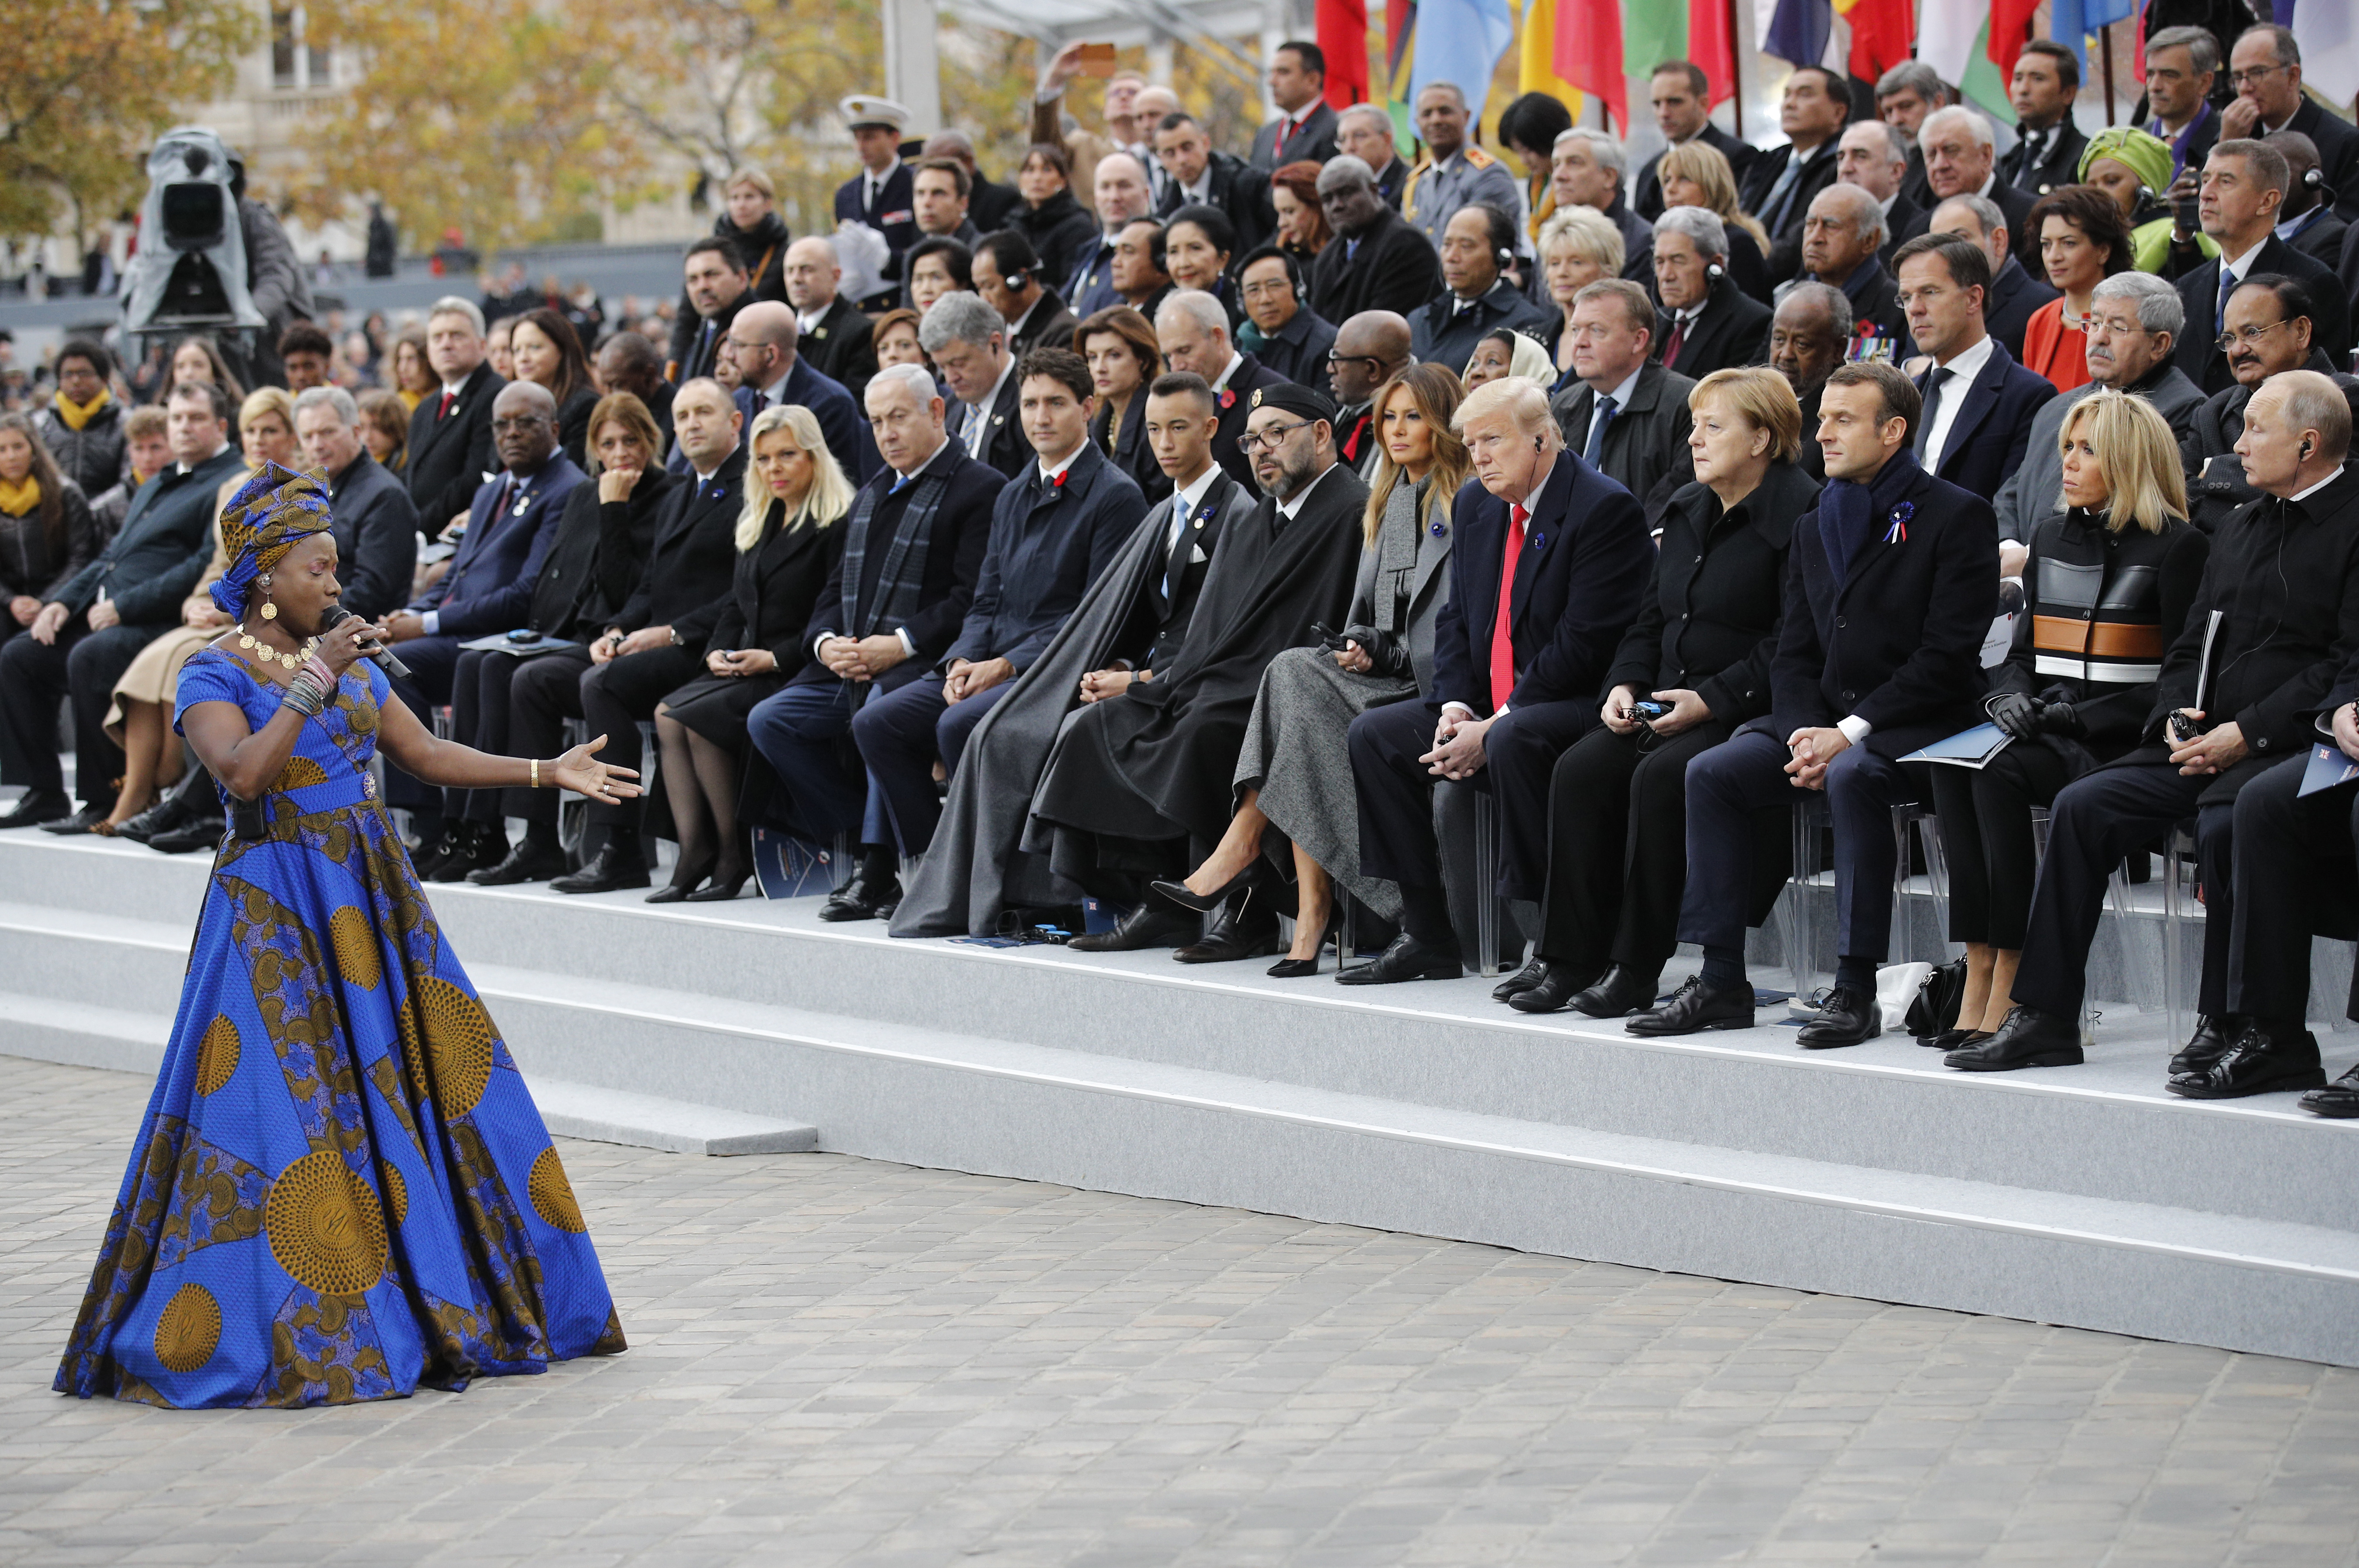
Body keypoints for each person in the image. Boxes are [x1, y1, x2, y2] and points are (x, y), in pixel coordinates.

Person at [53, 462, 631, 1410]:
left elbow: (425, 754)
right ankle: (314, 1324)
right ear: (265, 573)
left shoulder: (351, 658)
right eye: (318, 568)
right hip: (275, 906)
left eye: (336, 567)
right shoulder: (212, 667)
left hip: (372, 896)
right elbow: (241, 775)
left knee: (431, 1089)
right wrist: (312, 680)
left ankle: (446, 1294)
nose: (336, 583)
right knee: (295, 1114)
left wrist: (544, 771)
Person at [1980, 371, 2359, 1094]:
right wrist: (2178, 709)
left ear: (2307, 444)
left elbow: (2341, 666)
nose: (2236, 443)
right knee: (2083, 806)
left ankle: (2238, 1021)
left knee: (2229, 818)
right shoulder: (2244, 522)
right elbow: (2189, 644)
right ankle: (2045, 1015)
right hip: (2202, 739)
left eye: (2254, 429)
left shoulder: (2351, 523)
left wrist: (2244, 732)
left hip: (2286, 744)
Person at [1636, 362, 1996, 1043]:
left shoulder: (1957, 514)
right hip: (1824, 717)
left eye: (1841, 420)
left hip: (1918, 724)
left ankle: (1855, 988)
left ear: (1892, 431)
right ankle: (1719, 978)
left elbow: (1944, 658)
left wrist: (1850, 732)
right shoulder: (1816, 518)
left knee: (1856, 775)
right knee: (1711, 771)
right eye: (1822, 416)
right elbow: (1795, 650)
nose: (1821, 432)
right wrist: (1806, 729)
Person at [895, 369, 1262, 938]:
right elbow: (1127, 615)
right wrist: (1114, 666)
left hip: (1192, 688)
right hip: (1147, 674)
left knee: (1062, 728)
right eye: (1154, 429)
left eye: (1179, 428)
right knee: (1010, 730)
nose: (1164, 443)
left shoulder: (1237, 512)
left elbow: (1219, 634)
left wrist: (1138, 679)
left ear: (1211, 428)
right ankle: (1043, 895)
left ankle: (1132, 899)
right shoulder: (1165, 513)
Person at [1507, 368, 1815, 1015]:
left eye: (1713, 426)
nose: (1695, 439)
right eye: (1694, 425)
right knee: (1582, 766)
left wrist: (1710, 701)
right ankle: (1567, 957)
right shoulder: (1687, 508)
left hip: (1744, 709)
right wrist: (1624, 683)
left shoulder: (1802, 514)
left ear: (1761, 437)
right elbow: (1649, 620)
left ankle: (1635, 966)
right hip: (1666, 698)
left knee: (1660, 778)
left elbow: (1792, 641)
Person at [1026, 380, 1368, 955]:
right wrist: (1151, 683)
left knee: (1204, 730)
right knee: (1098, 725)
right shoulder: (1259, 518)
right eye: (1253, 440)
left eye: (1276, 435)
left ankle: (1248, 910)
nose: (1260, 449)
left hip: (1290, 690)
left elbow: (1328, 626)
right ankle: (1157, 904)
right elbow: (1213, 631)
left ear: (1320, 433)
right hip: (1219, 680)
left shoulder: (1350, 510)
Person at [1153, 364, 1470, 974]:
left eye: (1413, 416)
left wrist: (1385, 652)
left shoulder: (1461, 500)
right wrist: (1362, 646)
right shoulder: (1388, 498)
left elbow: (1451, 627)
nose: (1398, 430)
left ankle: (1255, 861)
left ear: (1442, 422)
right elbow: (1375, 619)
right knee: (1293, 678)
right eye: (1389, 418)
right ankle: (1306, 901)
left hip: (1434, 684)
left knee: (1290, 682)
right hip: (1383, 674)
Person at [1341, 375, 1653, 983]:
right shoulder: (1480, 506)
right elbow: (1457, 620)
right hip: (1494, 705)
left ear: (1541, 441)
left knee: (1515, 740)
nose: (1477, 455)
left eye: (1492, 441)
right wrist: (1456, 707)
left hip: (1579, 703)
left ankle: (1553, 942)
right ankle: (1426, 931)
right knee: (1375, 735)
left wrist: (1495, 723)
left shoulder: (1602, 507)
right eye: (1470, 442)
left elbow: (1583, 646)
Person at [1936, 392, 2210, 1066]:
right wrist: (2010, 697)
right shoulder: (2050, 536)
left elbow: (2180, 679)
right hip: (2047, 728)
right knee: (1949, 760)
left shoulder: (2181, 546)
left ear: (2127, 458)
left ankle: (2012, 972)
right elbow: (2020, 653)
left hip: (2118, 743)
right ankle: (1978, 959)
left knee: (1996, 770)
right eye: (2067, 446)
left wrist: (2073, 715)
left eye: (2087, 449)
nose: (2068, 461)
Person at [849, 348, 1144, 875]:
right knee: (877, 722)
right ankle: (932, 862)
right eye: (1030, 404)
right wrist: (962, 661)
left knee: (959, 723)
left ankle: (987, 873)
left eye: (1056, 403)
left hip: (1055, 671)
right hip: (992, 663)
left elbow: (1096, 616)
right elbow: (985, 599)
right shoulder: (1011, 494)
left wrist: (1006, 666)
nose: (1041, 417)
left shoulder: (1117, 496)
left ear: (1089, 407)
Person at [744, 364, 1000, 924]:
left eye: (898, 418)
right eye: (877, 421)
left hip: (926, 661)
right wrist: (827, 644)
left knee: (883, 707)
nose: (886, 433)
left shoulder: (980, 488)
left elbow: (969, 598)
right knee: (771, 720)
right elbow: (833, 592)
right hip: (852, 661)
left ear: (937, 413)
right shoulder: (872, 492)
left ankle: (882, 864)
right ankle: (863, 840)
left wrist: (902, 644)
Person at [459, 394, 681, 887]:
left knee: (546, 678)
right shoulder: (589, 493)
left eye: (631, 441)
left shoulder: (671, 493)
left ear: (650, 441)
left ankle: (619, 846)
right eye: (608, 444)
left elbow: (631, 587)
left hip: (641, 636)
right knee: (500, 666)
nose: (621, 453)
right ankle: (531, 840)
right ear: (595, 450)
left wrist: (616, 509)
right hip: (585, 634)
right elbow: (572, 580)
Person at [0, 381, 243, 829]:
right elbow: (110, 558)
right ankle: (44, 792)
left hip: (163, 620)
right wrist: (61, 604)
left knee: (91, 655)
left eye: (195, 418)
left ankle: (102, 797)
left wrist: (125, 607)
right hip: (109, 614)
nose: (184, 427)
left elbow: (199, 565)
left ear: (221, 425)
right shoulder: (160, 482)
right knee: (20, 657)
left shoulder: (228, 481)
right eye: (176, 418)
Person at [646, 404, 850, 903]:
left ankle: (733, 852)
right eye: (762, 459)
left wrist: (775, 658)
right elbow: (737, 605)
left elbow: (832, 613)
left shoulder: (836, 522)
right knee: (667, 712)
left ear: (814, 456)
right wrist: (717, 651)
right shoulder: (761, 517)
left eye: (786, 456)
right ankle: (697, 849)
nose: (773, 469)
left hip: (798, 666)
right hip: (749, 662)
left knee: (699, 718)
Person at [379, 381, 586, 863]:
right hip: (458, 632)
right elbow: (457, 572)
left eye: (526, 423)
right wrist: (410, 614)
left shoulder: (566, 488)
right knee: (384, 658)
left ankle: (447, 825)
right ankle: (434, 825)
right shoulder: (493, 487)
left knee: (399, 666)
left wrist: (428, 623)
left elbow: (525, 593)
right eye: (502, 425)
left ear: (554, 427)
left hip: (501, 635)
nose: (512, 433)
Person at [80, 389, 297, 845]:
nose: (258, 439)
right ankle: (143, 792)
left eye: (270, 430)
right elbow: (215, 565)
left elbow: (287, 575)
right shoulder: (230, 488)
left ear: (290, 437)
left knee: (188, 660)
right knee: (154, 662)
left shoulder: (301, 491)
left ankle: (177, 799)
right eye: (252, 431)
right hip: (218, 613)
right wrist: (195, 604)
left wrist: (223, 609)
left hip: (262, 620)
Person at [1993, 272, 2207, 548]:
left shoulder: (2182, 412)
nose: (2099, 338)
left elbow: (2136, 511)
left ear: (2159, 344)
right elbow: (2014, 492)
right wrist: (2009, 546)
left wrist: (2037, 556)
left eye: (2118, 328)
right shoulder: (2055, 408)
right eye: (2094, 323)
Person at [2166, 139, 2348, 396]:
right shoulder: (2187, 288)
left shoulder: (2313, 283)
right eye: (2205, 180)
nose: (2205, 193)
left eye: (2226, 181)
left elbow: (2328, 395)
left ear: (2267, 201)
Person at [1896, 232, 2059, 504]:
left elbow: (2014, 505)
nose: (1914, 309)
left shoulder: (2029, 396)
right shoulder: (1906, 395)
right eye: (1906, 297)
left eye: (1929, 292)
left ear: (1973, 299)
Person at [2181, 276, 2341, 514]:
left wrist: (2213, 469)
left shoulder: (2343, 400)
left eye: (2253, 332)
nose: (2237, 350)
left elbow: (2316, 486)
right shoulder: (2212, 412)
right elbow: (2176, 491)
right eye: (2229, 338)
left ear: (2301, 331)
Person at [1551, 279, 1696, 527]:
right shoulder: (1562, 405)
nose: (1579, 343)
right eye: (1576, 330)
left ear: (1639, 340)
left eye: (1596, 330)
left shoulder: (1687, 404)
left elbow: (1677, 500)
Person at [293, 386, 418, 623]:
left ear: (356, 432)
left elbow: (370, 594)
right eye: (308, 436)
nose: (317, 444)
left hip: (352, 634)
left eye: (327, 432)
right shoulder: (309, 490)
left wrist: (296, 615)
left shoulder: (385, 496)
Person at [717, 301, 871, 484]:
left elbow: (837, 486)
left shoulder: (830, 404)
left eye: (740, 346)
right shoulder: (739, 401)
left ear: (771, 355)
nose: (730, 356)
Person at [2218, 25, 2359, 223]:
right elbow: (2212, 210)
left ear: (2293, 77)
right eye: (2238, 77)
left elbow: (2346, 227)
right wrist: (2228, 146)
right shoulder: (2234, 130)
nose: (2245, 87)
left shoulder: (2344, 142)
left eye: (2258, 73)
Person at [1155, 291, 1289, 491]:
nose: (1176, 367)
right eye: (1169, 356)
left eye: (1184, 351)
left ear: (1217, 337)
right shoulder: (1182, 399)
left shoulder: (1273, 394)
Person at [1407, 204, 1555, 374]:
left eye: (1466, 247)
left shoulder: (1525, 326)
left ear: (1502, 257)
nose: (1451, 257)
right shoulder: (1419, 320)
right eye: (1447, 245)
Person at [404, 297, 506, 540]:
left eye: (457, 335)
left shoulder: (495, 396)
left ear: (482, 345)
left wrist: (417, 527)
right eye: (437, 337)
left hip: (459, 538)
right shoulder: (426, 407)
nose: (446, 345)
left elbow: (473, 480)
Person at [1739, 66, 1852, 283]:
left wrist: (1753, 269)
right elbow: (1739, 215)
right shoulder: (1771, 160)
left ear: (1838, 112)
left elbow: (1802, 238)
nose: (1789, 104)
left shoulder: (1843, 165)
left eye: (1805, 94)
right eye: (1787, 95)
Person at [0, 411, 99, 656]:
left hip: (59, 599)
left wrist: (46, 601)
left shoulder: (66, 494)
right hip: (8, 604)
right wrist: (11, 601)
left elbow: (81, 558)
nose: (11, 456)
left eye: (18, 447)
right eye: (2, 450)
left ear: (34, 449)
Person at [2022, 187, 2136, 394]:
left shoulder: (2128, 320)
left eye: (2069, 243)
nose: (2054, 256)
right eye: (2046, 245)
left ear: (2103, 251)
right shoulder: (2040, 320)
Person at [1310, 158, 1444, 324]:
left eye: (1346, 193)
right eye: (1327, 199)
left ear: (1374, 190)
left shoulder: (1406, 246)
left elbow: (1378, 331)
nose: (1337, 205)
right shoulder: (1328, 256)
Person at [1926, 194, 2058, 361]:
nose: (1946, 254)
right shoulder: (1927, 299)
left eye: (1960, 239)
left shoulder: (2042, 306)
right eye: (1937, 245)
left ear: (1998, 241)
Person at [1652, 207, 1774, 382]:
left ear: (1715, 266)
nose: (1666, 275)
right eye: (1660, 262)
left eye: (1678, 261)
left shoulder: (1752, 324)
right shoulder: (1658, 321)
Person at [1784, 184, 1906, 358]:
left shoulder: (1897, 310)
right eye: (1811, 224)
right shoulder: (1792, 299)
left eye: (1831, 226)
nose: (1815, 238)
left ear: (1870, 240)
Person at [1401, 82, 1525, 252]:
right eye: (1427, 114)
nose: (1436, 120)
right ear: (1417, 122)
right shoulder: (1418, 181)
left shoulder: (1488, 176)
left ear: (1466, 116)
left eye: (1445, 112)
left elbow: (1489, 250)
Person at [1633, 59, 1760, 220]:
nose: (1664, 113)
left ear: (1703, 103)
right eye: (1657, 104)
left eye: (1674, 102)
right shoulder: (1650, 170)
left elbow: (1740, 218)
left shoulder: (1739, 157)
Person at [926, 291, 1029, 481]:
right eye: (942, 368)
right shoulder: (949, 409)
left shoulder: (1033, 402)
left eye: (959, 363)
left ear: (995, 344)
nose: (951, 379)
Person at [1918, 105, 2040, 267]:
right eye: (1931, 155)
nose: (1940, 165)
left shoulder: (2032, 217)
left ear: (1986, 155)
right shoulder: (1919, 229)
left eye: (1951, 151)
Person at [2078, 126, 2207, 274]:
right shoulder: (2079, 234)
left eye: (2112, 182)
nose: (2100, 193)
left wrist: (2183, 241)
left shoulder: (2171, 232)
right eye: (2091, 186)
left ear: (2145, 188)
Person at [1653, 140, 1769, 300]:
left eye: (1684, 179)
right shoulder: (1665, 242)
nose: (1670, 189)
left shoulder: (1738, 244)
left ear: (1712, 186)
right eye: (1667, 180)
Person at [1079, 305, 1170, 503]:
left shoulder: (1158, 419)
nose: (1100, 368)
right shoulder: (1098, 418)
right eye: (1092, 357)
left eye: (1114, 355)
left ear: (1143, 361)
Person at [835, 96, 918, 307]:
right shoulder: (846, 194)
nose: (861, 146)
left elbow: (927, 248)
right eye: (857, 138)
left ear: (894, 138)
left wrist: (889, 259)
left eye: (870, 138)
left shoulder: (916, 184)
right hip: (861, 306)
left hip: (904, 301)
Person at [1150, 111, 1270, 253]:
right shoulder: (1167, 206)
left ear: (1206, 143)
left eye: (1187, 147)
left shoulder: (1247, 184)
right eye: (1170, 153)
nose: (1181, 159)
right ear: (1161, 159)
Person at [1535, 208, 1625, 393]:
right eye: (1554, 263)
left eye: (1576, 262)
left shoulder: (1621, 340)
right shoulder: (1531, 339)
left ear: (1607, 270)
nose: (1562, 273)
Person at [1768, 284, 1852, 481]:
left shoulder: (1847, 415)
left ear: (1838, 350)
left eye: (1802, 344)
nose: (1786, 354)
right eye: (1779, 339)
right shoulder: (1756, 398)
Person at [781, 237, 878, 406]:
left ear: (836, 276)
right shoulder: (782, 329)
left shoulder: (858, 332)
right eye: (790, 271)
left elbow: (854, 405)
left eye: (806, 270)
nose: (796, 279)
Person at [1549, 129, 1654, 284]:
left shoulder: (1643, 243)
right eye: (1556, 165)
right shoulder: (1554, 235)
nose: (1559, 175)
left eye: (1574, 163)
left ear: (1609, 177)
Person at [1064, 152, 1158, 316]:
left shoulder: (1154, 253)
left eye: (1124, 186)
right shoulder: (1087, 251)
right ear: (1095, 197)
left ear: (1146, 194)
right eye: (1105, 187)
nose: (1114, 197)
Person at [1325, 310, 1415, 480]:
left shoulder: (1414, 427)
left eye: (1337, 359)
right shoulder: (1345, 415)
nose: (1330, 369)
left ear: (1372, 370)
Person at [35, 340, 127, 500]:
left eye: (84, 373)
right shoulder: (41, 425)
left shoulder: (124, 423)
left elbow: (129, 482)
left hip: (111, 518)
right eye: (68, 375)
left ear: (104, 379)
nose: (76, 381)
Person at [508, 308, 599, 468]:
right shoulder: (508, 407)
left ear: (562, 350)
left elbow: (569, 471)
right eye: (517, 351)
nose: (523, 358)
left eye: (535, 347)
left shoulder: (586, 406)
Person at [1235, 246, 1337, 386]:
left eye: (1275, 286)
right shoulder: (1239, 346)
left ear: (1298, 290)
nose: (1265, 299)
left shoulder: (1327, 344)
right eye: (1254, 290)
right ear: (1242, 300)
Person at [972, 230, 1078, 363]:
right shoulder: (998, 331)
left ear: (1020, 281)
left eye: (990, 286)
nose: (983, 299)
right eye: (979, 288)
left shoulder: (1063, 334)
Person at [2002, 42, 2090, 199]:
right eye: (2018, 78)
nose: (2023, 89)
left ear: (2068, 93)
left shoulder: (2085, 160)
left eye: (2038, 79)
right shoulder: (2007, 161)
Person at [1008, 144, 1099, 291]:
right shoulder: (1014, 223)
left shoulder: (1078, 226)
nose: (1037, 178)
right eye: (1030, 170)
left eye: (1046, 170)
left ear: (1063, 180)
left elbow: (1072, 284)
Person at [1837, 119, 1926, 268]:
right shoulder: (1826, 222)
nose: (1845, 168)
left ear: (1896, 171)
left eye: (1861, 156)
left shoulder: (1920, 232)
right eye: (1841, 158)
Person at [2142, 25, 2222, 185]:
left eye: (2170, 75)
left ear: (2204, 83)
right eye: (2150, 74)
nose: (2154, 86)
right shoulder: (2134, 142)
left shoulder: (2226, 141)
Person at [672, 238, 753, 388]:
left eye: (712, 275)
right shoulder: (702, 330)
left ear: (742, 278)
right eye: (693, 280)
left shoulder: (758, 331)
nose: (702, 286)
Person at [1497, 91, 1576, 243]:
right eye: (1518, 152)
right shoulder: (1537, 182)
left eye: (1527, 151)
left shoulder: (1577, 183)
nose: (1523, 160)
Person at [1249, 41, 1339, 170]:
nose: (1272, 82)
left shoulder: (1335, 129)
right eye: (1272, 73)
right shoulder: (1266, 134)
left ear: (1312, 80)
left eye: (1283, 72)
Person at [88, 406, 172, 543]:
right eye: (139, 448)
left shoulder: (192, 495)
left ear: (173, 447)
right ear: (130, 451)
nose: (147, 458)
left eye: (156, 447)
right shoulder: (107, 508)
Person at [1874, 60, 1948, 212]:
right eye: (1889, 112)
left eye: (1906, 106)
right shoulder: (1891, 162)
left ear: (1937, 102)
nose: (1896, 120)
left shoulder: (1958, 158)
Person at [2266, 132, 2345, 270]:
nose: (2264, 184)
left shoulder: (2333, 237)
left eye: (2277, 173)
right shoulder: (2255, 229)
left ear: (2312, 177)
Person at [593, 330, 675, 453]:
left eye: (617, 385)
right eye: (606, 386)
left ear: (649, 375)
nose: (608, 396)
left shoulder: (677, 416)